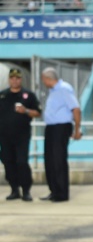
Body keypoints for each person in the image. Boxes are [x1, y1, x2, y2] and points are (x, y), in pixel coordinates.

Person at [40, 68, 81, 202]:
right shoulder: (52, 91)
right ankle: (54, 190)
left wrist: (77, 129)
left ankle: (62, 193)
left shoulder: (64, 89)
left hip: (61, 127)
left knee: (58, 159)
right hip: (51, 127)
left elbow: (75, 109)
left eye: (43, 80)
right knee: (49, 160)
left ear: (48, 78)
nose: (43, 82)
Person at [0, 68, 41, 201]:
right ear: (9, 79)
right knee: (8, 162)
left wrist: (26, 111)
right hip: (5, 137)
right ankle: (14, 189)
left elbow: (38, 113)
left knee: (22, 162)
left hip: (22, 136)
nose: (15, 81)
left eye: (17, 78)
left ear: (21, 79)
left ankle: (26, 190)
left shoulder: (28, 95)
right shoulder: (2, 95)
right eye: (12, 78)